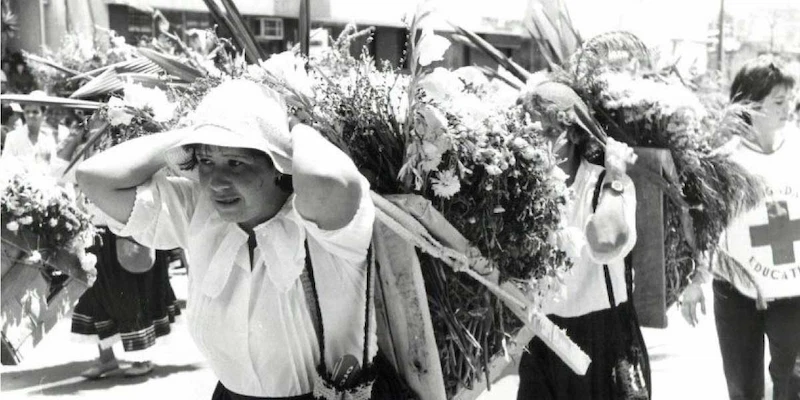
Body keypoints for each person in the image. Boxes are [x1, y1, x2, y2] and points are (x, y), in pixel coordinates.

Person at [75, 79, 376, 398]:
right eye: (205, 162)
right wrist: (196, 132)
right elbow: (94, 178)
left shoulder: (322, 223)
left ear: (278, 166)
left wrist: (297, 127)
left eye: (236, 163)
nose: (217, 182)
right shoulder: (199, 211)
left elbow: (326, 180)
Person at [680, 55, 800, 400]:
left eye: (790, 98)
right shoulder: (725, 160)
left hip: (794, 293)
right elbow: (706, 226)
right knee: (744, 390)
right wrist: (696, 279)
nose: (788, 107)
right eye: (779, 101)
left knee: (792, 386)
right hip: (736, 294)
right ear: (751, 105)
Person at [516, 81, 644, 399]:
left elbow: (605, 244)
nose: (532, 145)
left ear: (573, 134)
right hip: (543, 338)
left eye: (544, 133)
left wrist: (615, 174)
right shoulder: (520, 190)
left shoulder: (608, 184)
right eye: (526, 134)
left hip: (604, 339)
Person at [54, 121, 182, 379]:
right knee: (94, 296)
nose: (92, 130)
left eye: (98, 125)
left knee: (130, 294)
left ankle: (141, 357)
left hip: (125, 230)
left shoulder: (125, 152)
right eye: (89, 127)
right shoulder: (85, 153)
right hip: (92, 233)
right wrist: (75, 138)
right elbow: (61, 171)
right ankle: (106, 359)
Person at [1, 91, 58, 166]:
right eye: (27, 112)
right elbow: (4, 166)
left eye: (35, 112)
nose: (30, 115)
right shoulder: (12, 137)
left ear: (43, 114)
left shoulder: (48, 139)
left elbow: (53, 166)